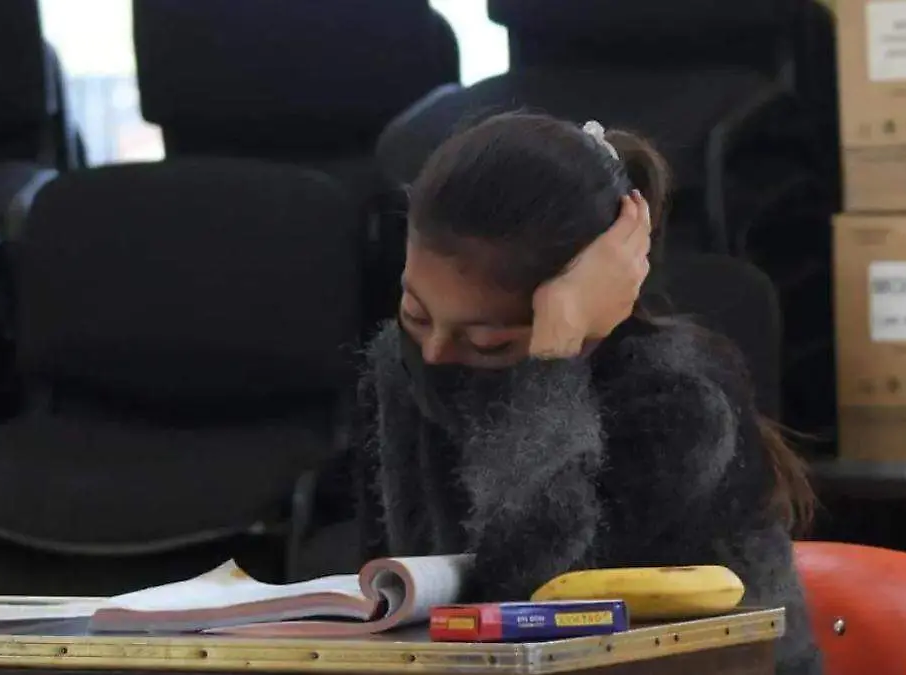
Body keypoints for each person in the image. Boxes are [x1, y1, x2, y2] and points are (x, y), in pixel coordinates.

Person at [350, 112, 822, 675]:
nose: (434, 353)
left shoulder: (679, 400)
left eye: (489, 343)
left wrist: (552, 360)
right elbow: (409, 585)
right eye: (415, 312)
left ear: (591, 305)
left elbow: (531, 594)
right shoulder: (407, 363)